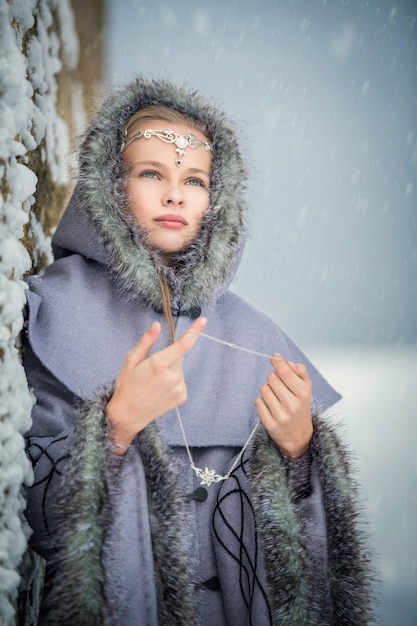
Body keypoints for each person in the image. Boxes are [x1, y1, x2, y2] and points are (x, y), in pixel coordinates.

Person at [22, 77, 375, 625]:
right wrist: (115, 429)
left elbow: (308, 567)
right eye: (150, 174)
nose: (175, 195)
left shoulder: (253, 336)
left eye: (195, 179)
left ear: (218, 198)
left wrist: (300, 453)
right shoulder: (55, 313)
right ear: (108, 187)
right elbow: (32, 525)